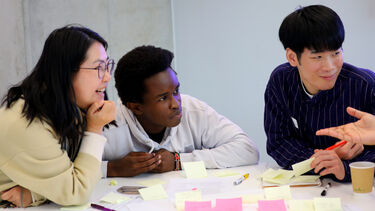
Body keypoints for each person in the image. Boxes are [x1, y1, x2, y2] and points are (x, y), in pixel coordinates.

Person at [0, 25, 116, 207]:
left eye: (108, 66)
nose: (107, 77)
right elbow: (76, 191)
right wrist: (95, 129)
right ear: (66, 72)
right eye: (99, 68)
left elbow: (71, 174)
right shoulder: (27, 124)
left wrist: (35, 193)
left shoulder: (64, 107)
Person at [102, 45, 259, 177]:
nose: (176, 103)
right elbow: (77, 172)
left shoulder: (192, 109)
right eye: (163, 98)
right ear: (136, 107)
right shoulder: (107, 124)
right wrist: (112, 168)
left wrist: (178, 161)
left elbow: (247, 150)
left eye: (176, 91)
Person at [264, 5, 375, 182]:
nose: (330, 67)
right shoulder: (281, 81)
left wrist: (344, 168)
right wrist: (326, 158)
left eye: (336, 53)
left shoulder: (365, 84)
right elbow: (279, 142)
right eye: (318, 57)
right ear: (293, 58)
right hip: (306, 184)